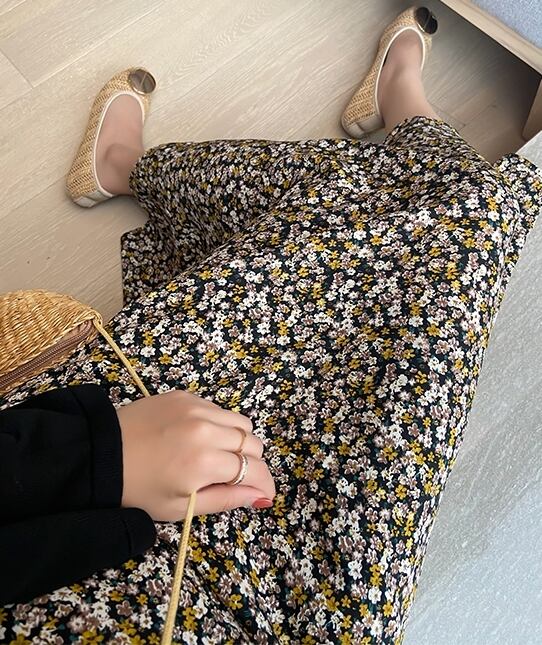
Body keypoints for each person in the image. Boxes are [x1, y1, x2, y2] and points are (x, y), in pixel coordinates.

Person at [1, 5, 540, 643]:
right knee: (452, 214)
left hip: (61, 505)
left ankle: (133, 167)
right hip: (288, 602)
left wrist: (83, 460)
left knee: (430, 222)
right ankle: (405, 114)